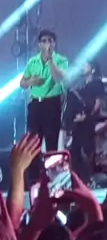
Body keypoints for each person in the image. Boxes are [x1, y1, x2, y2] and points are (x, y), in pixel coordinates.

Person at [20, 29, 68, 157]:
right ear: (39, 44)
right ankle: (34, 169)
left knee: (51, 142)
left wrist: (50, 59)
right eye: (44, 41)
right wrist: (31, 81)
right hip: (35, 104)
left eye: (50, 41)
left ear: (54, 44)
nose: (47, 44)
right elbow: (22, 83)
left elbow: (58, 78)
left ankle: (51, 168)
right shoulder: (32, 62)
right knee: (33, 142)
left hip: (52, 105)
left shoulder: (61, 60)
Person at [69, 61, 105, 182]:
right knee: (75, 150)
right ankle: (77, 179)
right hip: (79, 123)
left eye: (85, 66)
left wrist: (88, 116)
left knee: (87, 150)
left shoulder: (97, 84)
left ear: (93, 69)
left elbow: (98, 103)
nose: (83, 68)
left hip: (89, 122)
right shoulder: (83, 86)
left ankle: (89, 178)